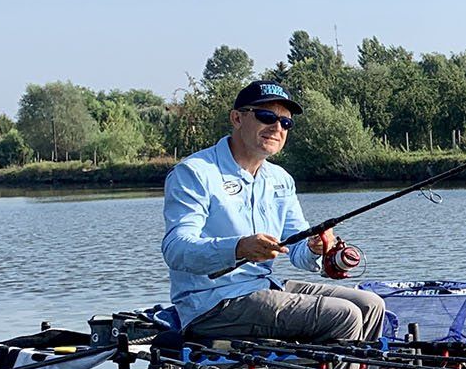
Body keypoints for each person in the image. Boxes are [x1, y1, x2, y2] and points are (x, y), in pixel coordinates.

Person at [161, 81, 385, 346]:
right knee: (343, 315)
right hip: (212, 303)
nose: (277, 128)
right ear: (237, 118)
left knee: (371, 304)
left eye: (285, 123)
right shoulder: (195, 173)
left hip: (264, 286)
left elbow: (299, 251)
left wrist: (315, 247)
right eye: (266, 116)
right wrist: (238, 248)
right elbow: (175, 250)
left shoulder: (280, 179)